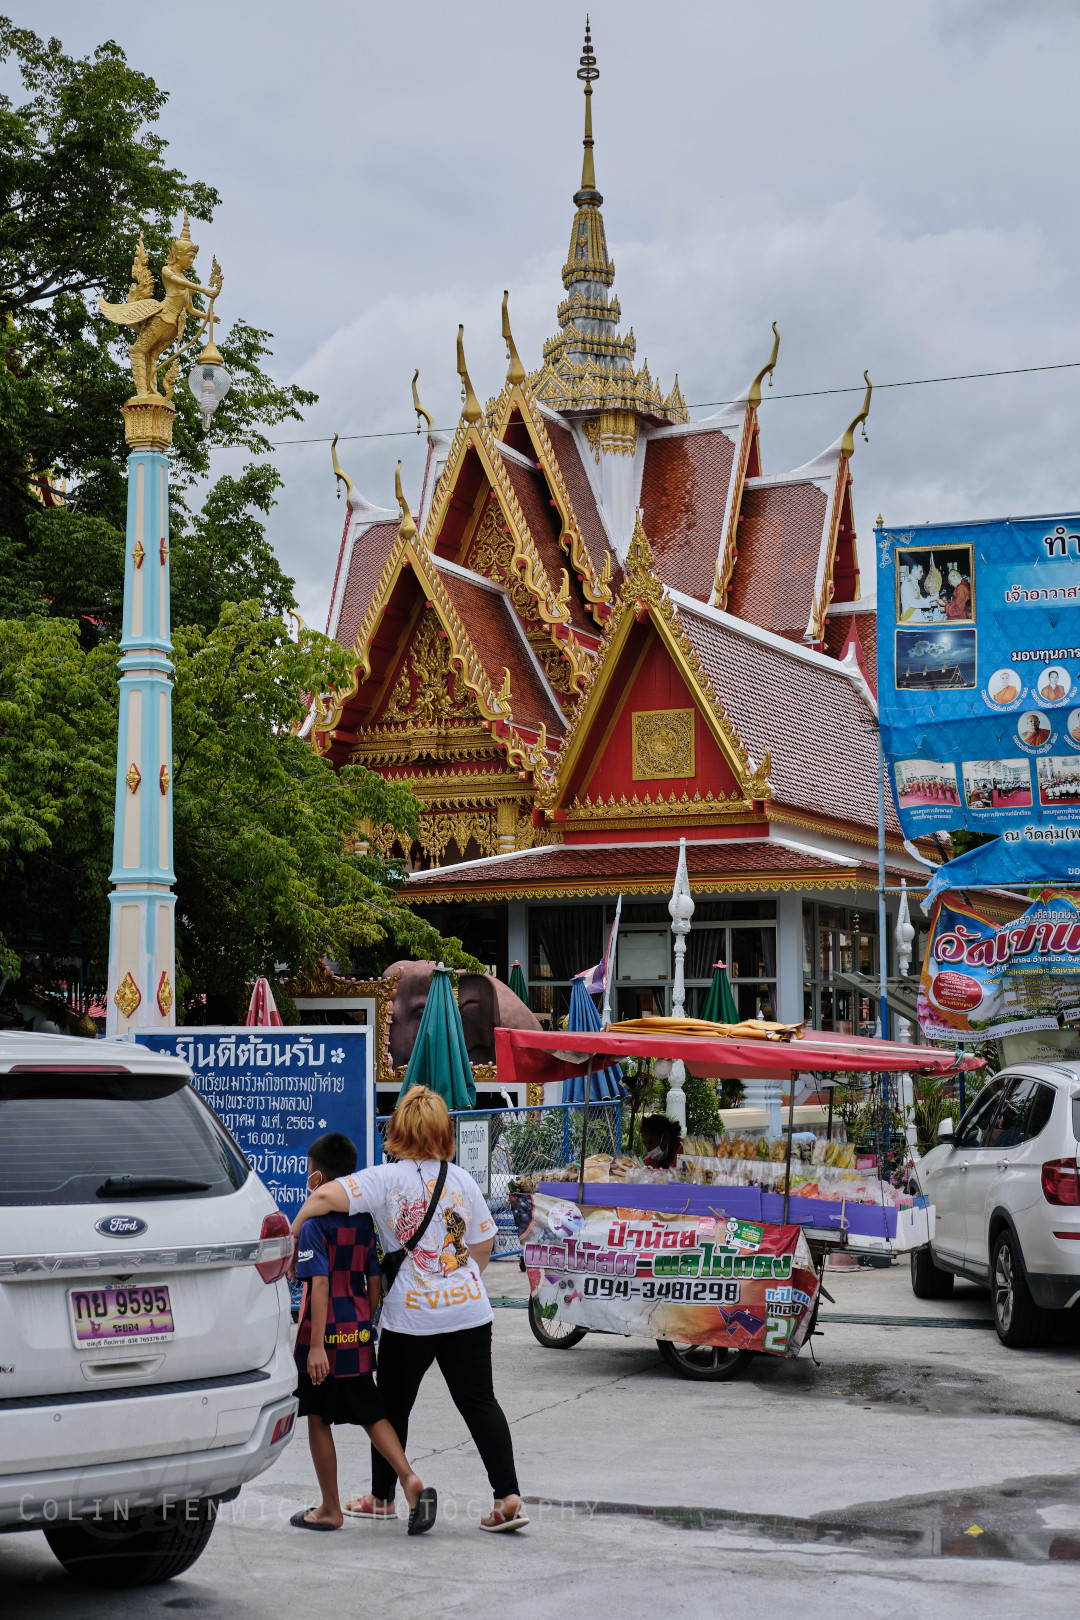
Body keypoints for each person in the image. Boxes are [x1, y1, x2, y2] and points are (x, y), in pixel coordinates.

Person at [289, 1087, 527, 1533]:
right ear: (444, 1131)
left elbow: (323, 1198)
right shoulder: (462, 1180)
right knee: (479, 1403)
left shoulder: (384, 1179)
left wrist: (293, 1230)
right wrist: (458, 1283)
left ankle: (383, 1498)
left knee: (393, 1408)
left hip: (410, 1319)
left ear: (397, 1130)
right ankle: (508, 1496)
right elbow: (482, 1243)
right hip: (469, 1314)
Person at [290, 1132, 436, 1535]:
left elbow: (318, 1285)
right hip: (356, 1332)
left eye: (308, 1172)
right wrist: (365, 1323)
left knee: (317, 1417)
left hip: (321, 1337)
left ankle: (330, 1509)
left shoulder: (313, 1226)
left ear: (318, 1178)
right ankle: (408, 1478)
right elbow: (374, 1280)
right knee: (372, 1413)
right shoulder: (362, 1221)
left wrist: (317, 1345)